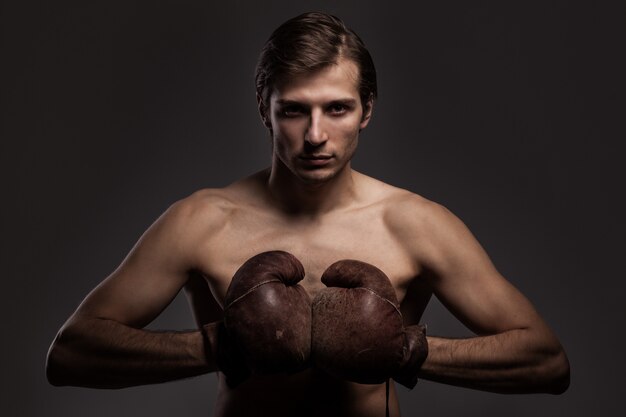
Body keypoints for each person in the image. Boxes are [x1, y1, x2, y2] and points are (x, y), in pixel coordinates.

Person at [46, 12, 570, 417]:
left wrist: (410, 352)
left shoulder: (415, 225)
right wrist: (219, 346)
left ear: (367, 109)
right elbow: (70, 355)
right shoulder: (202, 221)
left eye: (337, 108)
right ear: (263, 108)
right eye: (294, 109)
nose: (315, 135)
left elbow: (547, 362)